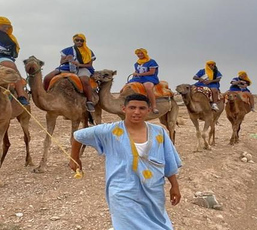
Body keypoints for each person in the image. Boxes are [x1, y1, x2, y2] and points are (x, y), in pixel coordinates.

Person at [70, 94, 182, 230]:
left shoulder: (159, 132)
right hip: (122, 191)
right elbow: (78, 136)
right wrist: (74, 158)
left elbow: (169, 161)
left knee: (158, 225)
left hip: (153, 191)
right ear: (124, 109)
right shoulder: (110, 130)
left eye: (142, 108)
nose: (136, 112)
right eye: (132, 107)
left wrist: (174, 186)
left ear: (149, 110)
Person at [42, 33, 98, 112]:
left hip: (83, 68)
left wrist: (78, 64)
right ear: (74, 41)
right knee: (47, 77)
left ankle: (89, 101)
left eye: (81, 40)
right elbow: (61, 61)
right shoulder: (67, 50)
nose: (79, 42)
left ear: (84, 41)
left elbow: (89, 64)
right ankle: (45, 96)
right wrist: (67, 59)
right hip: (67, 67)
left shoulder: (88, 52)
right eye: (77, 40)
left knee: (85, 80)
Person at [129, 48, 160, 114]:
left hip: (149, 78)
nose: (140, 55)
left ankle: (154, 106)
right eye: (138, 54)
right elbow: (137, 71)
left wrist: (139, 74)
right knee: (128, 86)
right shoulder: (137, 63)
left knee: (148, 87)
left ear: (145, 54)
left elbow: (152, 72)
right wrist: (135, 74)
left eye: (141, 53)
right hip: (139, 78)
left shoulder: (151, 62)